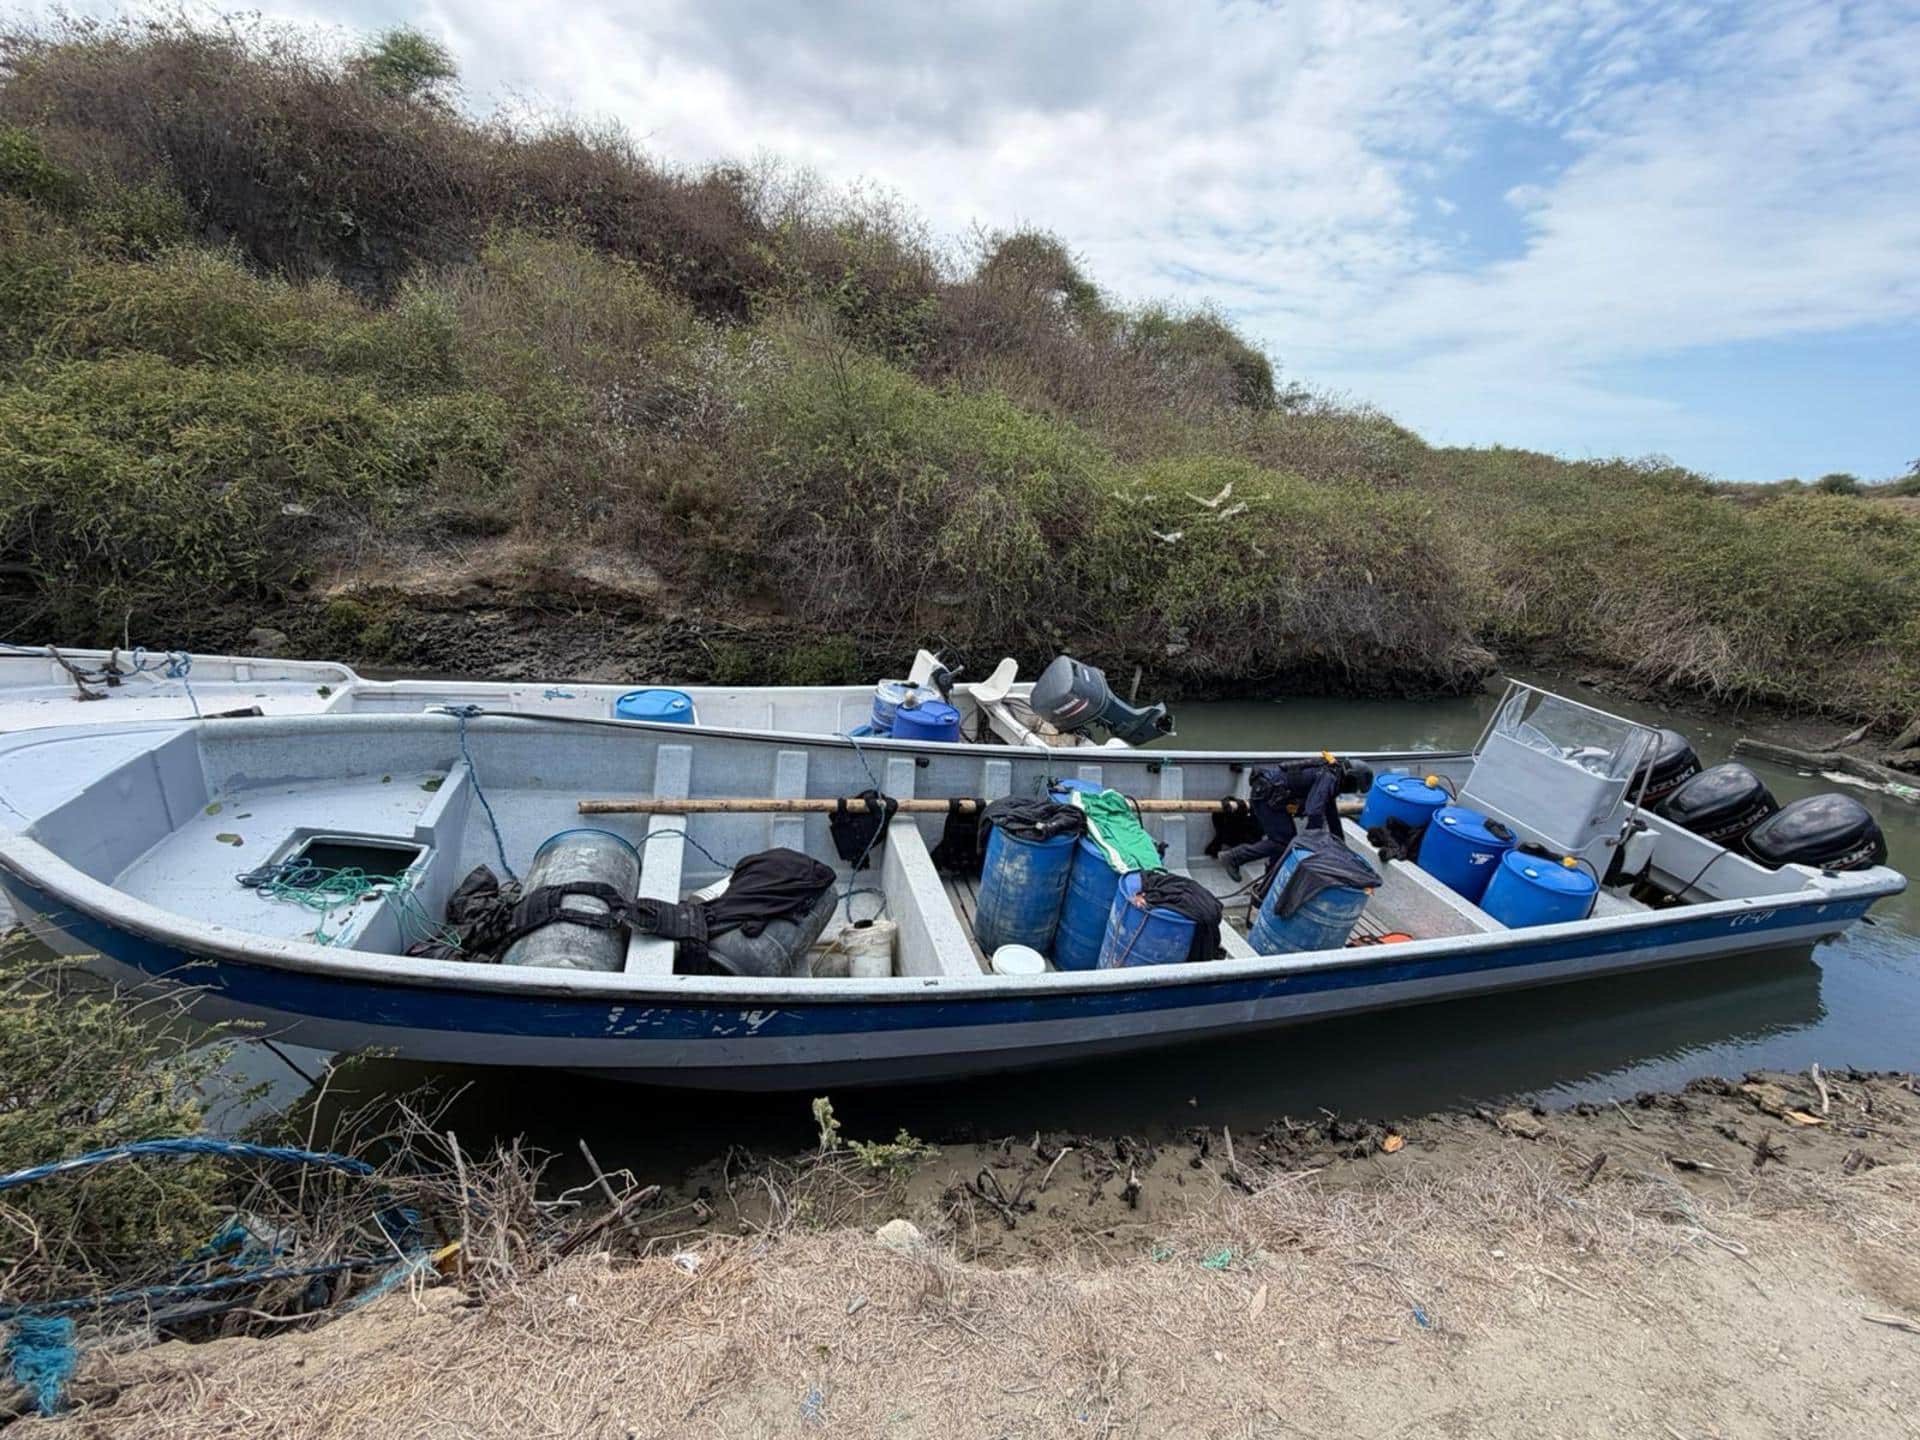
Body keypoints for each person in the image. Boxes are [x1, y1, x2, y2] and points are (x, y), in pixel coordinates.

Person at [1219, 754, 1373, 883]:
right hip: (1266, 796)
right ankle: (1234, 857)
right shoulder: (1329, 777)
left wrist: (1340, 845)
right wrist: (1314, 842)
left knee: (1284, 841)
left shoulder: (1333, 775)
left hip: (1271, 796)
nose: (1352, 790)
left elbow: (1331, 813)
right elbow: (1314, 811)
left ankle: (1269, 882)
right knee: (1283, 841)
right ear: (1351, 779)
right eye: (1355, 787)